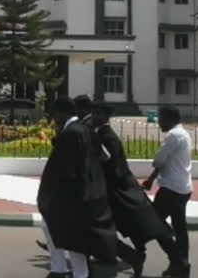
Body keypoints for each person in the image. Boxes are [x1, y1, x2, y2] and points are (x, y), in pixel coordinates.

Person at [37, 97, 117, 278]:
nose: (53, 117)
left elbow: (63, 170)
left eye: (55, 114)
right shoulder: (86, 130)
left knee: (67, 236)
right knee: (69, 237)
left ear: (62, 113)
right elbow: (105, 156)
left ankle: (63, 270)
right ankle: (62, 270)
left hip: (72, 197)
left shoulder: (70, 134)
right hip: (89, 194)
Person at [92, 101, 173, 278]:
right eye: (94, 113)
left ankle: (134, 257)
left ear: (106, 117)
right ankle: (132, 256)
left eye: (98, 113)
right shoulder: (101, 134)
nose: (94, 117)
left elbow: (112, 164)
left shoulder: (107, 137)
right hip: (115, 190)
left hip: (116, 191)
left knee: (103, 228)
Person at [142, 106, 193, 278]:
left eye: (161, 118)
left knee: (156, 225)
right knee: (180, 229)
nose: (159, 122)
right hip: (183, 188)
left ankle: (179, 261)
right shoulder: (184, 134)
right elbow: (163, 163)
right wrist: (151, 179)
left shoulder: (173, 136)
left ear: (171, 119)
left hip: (171, 189)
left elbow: (159, 160)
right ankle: (180, 265)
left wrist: (150, 179)